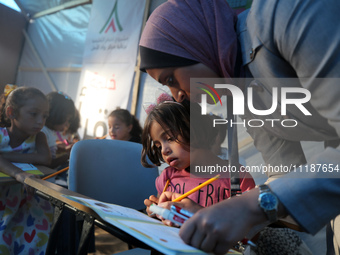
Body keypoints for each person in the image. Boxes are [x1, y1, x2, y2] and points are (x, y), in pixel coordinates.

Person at [139, 0, 340, 254]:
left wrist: (247, 206)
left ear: (193, 43)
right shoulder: (240, 93)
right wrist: (209, 214)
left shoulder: (287, 13)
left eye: (170, 79)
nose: (177, 96)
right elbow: (286, 171)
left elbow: (278, 192)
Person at [141, 101, 255, 213]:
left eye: (170, 138)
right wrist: (157, 211)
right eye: (158, 146)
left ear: (195, 129)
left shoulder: (236, 176)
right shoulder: (167, 178)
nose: (164, 151)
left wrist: (199, 212)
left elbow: (252, 226)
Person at [0, 86, 53, 254]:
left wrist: (4, 158)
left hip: (28, 200)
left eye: (44, 116)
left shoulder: (39, 137)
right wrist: (18, 173)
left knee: (33, 240)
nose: (40, 121)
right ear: (11, 112)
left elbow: (45, 159)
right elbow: (37, 159)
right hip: (2, 197)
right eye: (34, 114)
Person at [42, 91, 76, 169]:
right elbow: (48, 163)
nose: (67, 124)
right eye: (67, 120)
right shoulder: (43, 132)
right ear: (56, 116)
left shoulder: (49, 131)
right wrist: (69, 155)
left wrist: (62, 148)